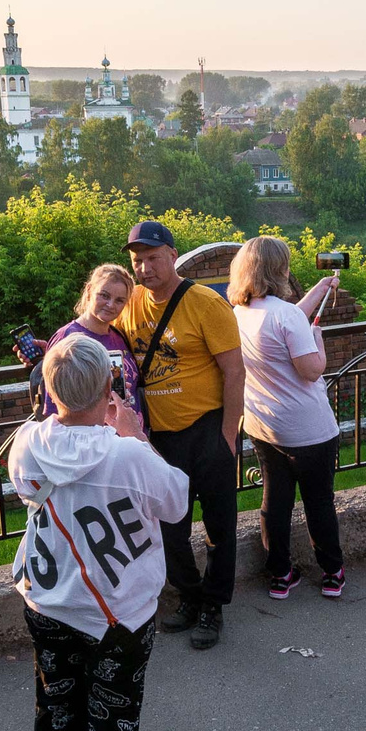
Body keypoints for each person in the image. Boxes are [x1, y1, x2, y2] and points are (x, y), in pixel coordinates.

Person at [7, 334, 187, 731]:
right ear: (111, 389)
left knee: (56, 699)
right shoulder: (126, 453)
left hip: (46, 599)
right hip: (116, 616)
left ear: (49, 389)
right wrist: (133, 435)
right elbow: (176, 503)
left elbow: (27, 489)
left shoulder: (26, 442)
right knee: (114, 721)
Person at [115, 220, 246, 650]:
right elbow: (90, 331)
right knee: (170, 526)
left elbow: (234, 370)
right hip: (159, 436)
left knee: (219, 525)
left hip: (208, 429)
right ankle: (189, 596)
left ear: (172, 255)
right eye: (137, 261)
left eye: (153, 258)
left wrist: (229, 435)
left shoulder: (206, 303)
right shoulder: (129, 304)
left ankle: (214, 606)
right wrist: (47, 349)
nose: (145, 268)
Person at [226, 237, 345, 601]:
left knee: (275, 501)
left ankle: (279, 575)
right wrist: (318, 339)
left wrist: (319, 290)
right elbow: (311, 370)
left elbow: (286, 318)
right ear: (280, 269)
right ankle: (332, 573)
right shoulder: (289, 317)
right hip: (308, 430)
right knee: (319, 500)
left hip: (264, 425)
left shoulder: (238, 314)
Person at [40, 263, 140, 417]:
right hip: (95, 438)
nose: (110, 305)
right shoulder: (68, 338)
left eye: (119, 300)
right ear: (89, 291)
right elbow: (55, 409)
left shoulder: (118, 335)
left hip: (130, 434)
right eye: (104, 295)